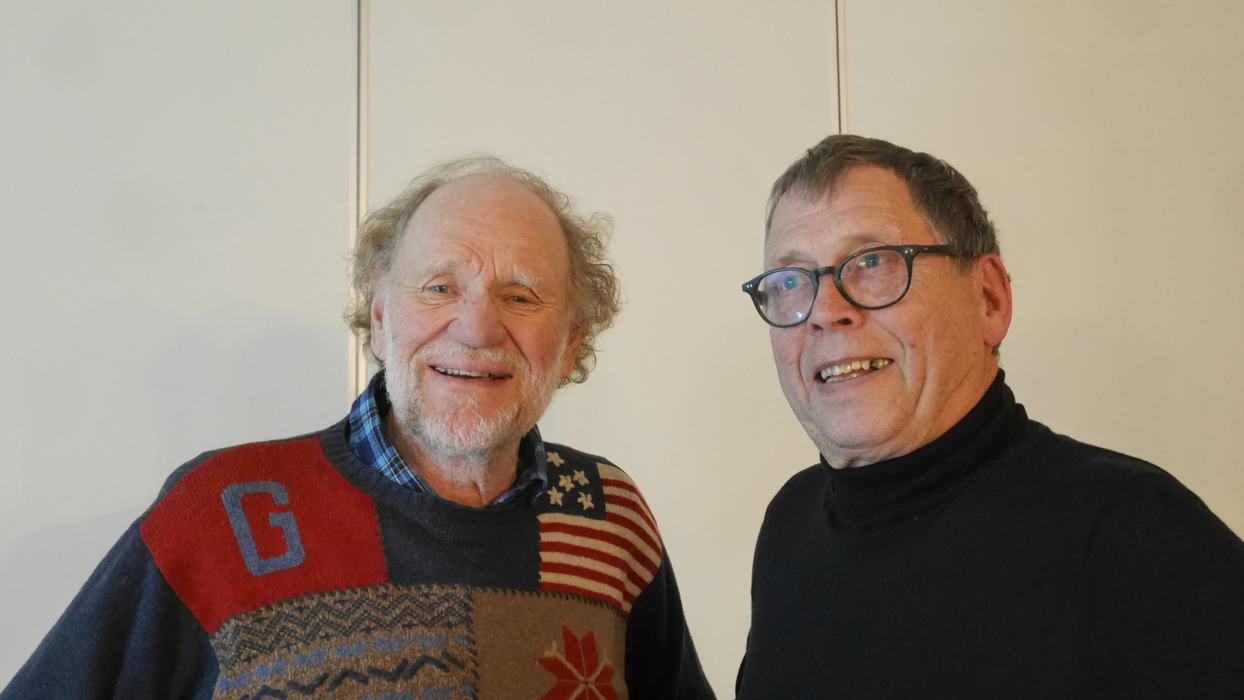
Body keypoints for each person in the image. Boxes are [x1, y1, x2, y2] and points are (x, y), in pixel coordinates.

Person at [3, 156, 713, 700]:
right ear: (379, 318)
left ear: (571, 339)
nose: (476, 327)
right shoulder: (218, 513)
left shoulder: (608, 518)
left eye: (520, 296)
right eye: (440, 288)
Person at [734, 135, 1244, 698]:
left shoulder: (1133, 534)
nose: (825, 311)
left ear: (988, 299)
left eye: (873, 262)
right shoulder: (791, 525)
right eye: (790, 281)